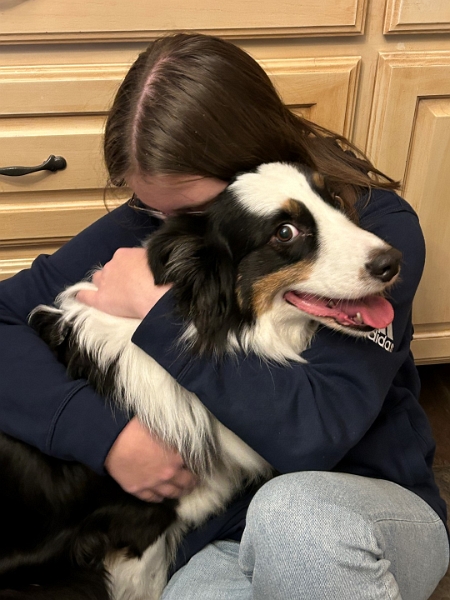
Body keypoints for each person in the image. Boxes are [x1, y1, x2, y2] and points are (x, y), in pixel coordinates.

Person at [0, 32, 448, 600]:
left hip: (359, 511)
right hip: (223, 537)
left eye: (192, 210)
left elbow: (315, 434)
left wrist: (155, 310)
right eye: (153, 210)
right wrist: (108, 437)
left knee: (293, 515)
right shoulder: (174, 222)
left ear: (254, 159)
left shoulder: (377, 230)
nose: (170, 227)